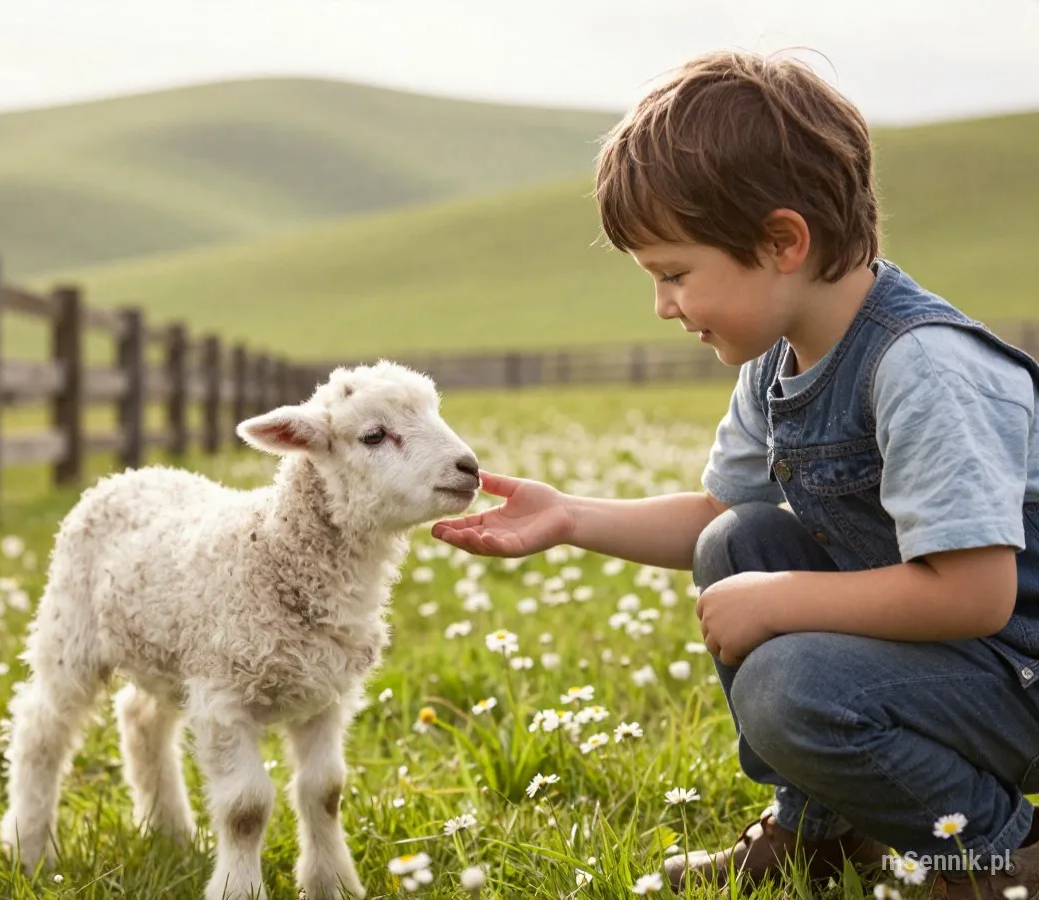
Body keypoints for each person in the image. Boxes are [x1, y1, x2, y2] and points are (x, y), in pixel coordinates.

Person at [430, 49, 1039, 899]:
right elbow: (715, 509)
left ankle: (993, 857)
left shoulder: (922, 368)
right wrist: (568, 516)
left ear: (783, 242)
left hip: (1014, 668)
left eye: (675, 273)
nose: (663, 305)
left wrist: (785, 601)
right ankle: (820, 831)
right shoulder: (779, 360)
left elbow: (976, 595)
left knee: (790, 682)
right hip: (949, 662)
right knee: (738, 539)